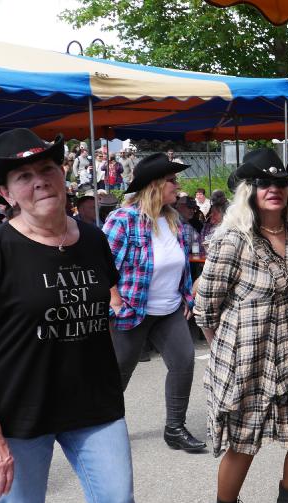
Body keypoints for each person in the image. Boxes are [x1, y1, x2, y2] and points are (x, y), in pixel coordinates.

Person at [0, 128, 133, 503]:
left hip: (95, 405)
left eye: (46, 168)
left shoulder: (95, 239)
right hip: (22, 412)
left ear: (63, 174)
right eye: (23, 176)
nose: (39, 180)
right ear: (6, 193)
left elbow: (105, 307)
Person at [195, 148, 288, 503]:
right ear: (249, 191)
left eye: (280, 183)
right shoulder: (233, 241)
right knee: (244, 441)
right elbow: (205, 309)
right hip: (248, 359)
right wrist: (226, 355)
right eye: (263, 183)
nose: (273, 189)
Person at [103, 152, 205, 453]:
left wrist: (187, 295)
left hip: (169, 309)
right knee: (120, 370)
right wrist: (115, 300)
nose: (178, 185)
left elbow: (182, 264)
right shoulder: (123, 219)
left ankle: (175, 428)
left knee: (184, 361)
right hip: (133, 309)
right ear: (154, 185)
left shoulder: (173, 220)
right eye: (172, 180)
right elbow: (100, 263)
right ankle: (103, 427)